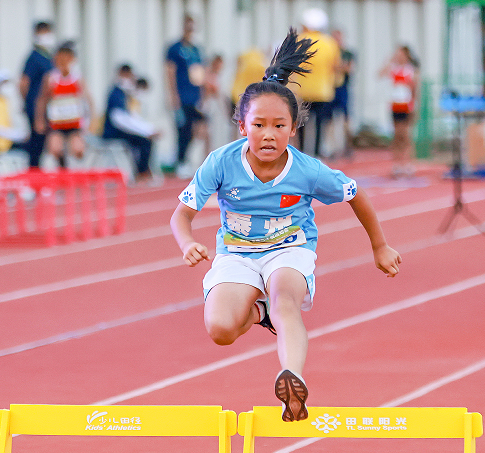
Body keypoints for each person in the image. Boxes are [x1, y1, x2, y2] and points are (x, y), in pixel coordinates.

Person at [170, 29, 401, 422]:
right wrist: (186, 241)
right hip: (237, 255)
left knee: (285, 303)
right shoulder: (221, 162)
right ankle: (258, 315)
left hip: (289, 251)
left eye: (279, 126)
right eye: (259, 125)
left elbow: (354, 194)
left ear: (293, 130)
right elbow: (181, 215)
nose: (269, 135)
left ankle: (292, 376)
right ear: (242, 126)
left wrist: (379, 246)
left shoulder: (307, 170)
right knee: (221, 329)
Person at [34, 41, 93, 169]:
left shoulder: (77, 78)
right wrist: (39, 120)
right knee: (55, 149)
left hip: (74, 123)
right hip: (57, 124)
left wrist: (92, 120)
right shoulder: (51, 78)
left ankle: (75, 171)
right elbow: (42, 99)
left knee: (78, 150)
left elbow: (89, 100)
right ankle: (62, 165)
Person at [165, 14, 207, 178]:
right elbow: (170, 72)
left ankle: (186, 158)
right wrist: (173, 95)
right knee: (183, 130)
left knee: (199, 126)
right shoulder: (175, 49)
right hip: (182, 96)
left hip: (194, 96)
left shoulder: (196, 50)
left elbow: (200, 73)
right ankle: (180, 160)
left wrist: (202, 95)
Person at [103, 64, 159, 184]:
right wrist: (146, 131)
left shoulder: (125, 94)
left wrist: (149, 130)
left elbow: (132, 118)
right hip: (113, 132)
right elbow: (119, 120)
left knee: (145, 140)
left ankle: (143, 170)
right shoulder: (116, 94)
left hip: (121, 130)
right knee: (144, 141)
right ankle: (141, 172)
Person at [295, 8, 341, 158]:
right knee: (320, 125)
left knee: (301, 126)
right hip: (323, 91)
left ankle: (301, 154)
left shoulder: (299, 40)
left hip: (302, 91)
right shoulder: (329, 43)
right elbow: (335, 67)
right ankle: (316, 154)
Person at [379, 46, 420, 178]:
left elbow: (415, 89)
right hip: (395, 105)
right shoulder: (394, 68)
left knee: (405, 135)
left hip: (406, 105)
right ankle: (397, 164)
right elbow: (380, 74)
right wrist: (389, 61)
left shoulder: (411, 70)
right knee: (396, 136)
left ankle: (407, 164)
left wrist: (415, 105)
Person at [19, 21, 55, 169]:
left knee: (47, 145)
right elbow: (23, 83)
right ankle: (33, 179)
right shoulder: (34, 57)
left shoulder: (48, 57)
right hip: (36, 109)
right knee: (36, 146)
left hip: (48, 109)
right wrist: (29, 102)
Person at [331, 29, 355, 158]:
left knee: (346, 118)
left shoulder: (347, 53)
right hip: (331, 87)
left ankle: (348, 145)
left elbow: (349, 68)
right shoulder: (330, 53)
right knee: (329, 119)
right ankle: (332, 148)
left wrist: (338, 67)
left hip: (343, 88)